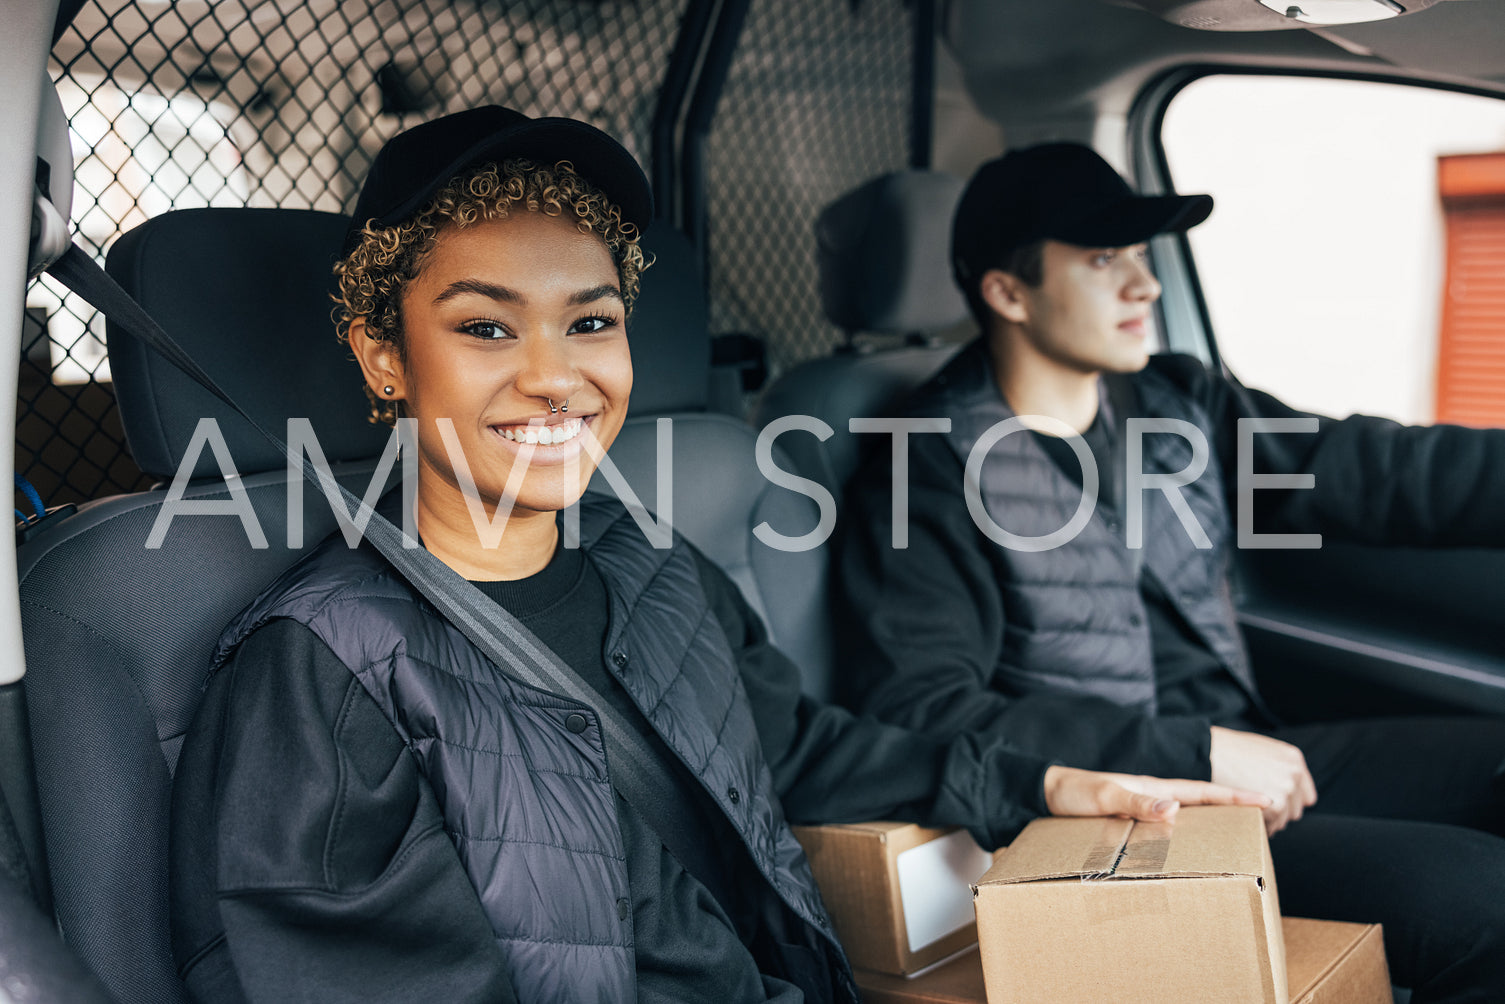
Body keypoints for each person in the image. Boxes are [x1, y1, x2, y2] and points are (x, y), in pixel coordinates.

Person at [167, 110, 1259, 1004]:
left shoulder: (648, 560)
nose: (556, 377)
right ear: (384, 355)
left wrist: (1049, 780)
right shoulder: (318, 676)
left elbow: (794, 748)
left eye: (589, 322)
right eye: (487, 329)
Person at [832, 141, 1505, 1003]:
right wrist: (1193, 750)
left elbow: (1374, 470)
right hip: (1124, 812)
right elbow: (921, 706)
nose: (1144, 287)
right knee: (1486, 903)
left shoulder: (1176, 402)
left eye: (1142, 258)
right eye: (1104, 259)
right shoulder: (925, 464)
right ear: (1007, 292)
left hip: (1253, 752)